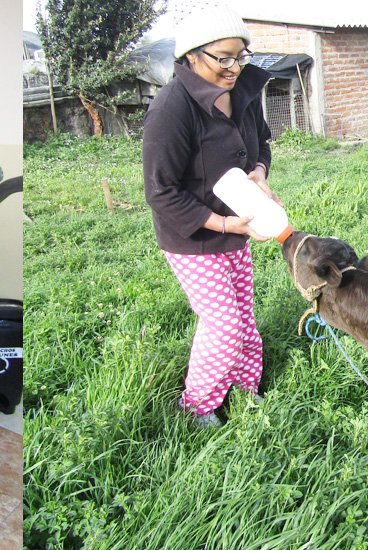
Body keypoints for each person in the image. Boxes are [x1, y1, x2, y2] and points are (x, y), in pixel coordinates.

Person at [141, 4, 280, 429]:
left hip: (239, 224)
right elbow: (160, 192)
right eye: (224, 58)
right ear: (191, 56)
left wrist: (257, 173)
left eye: (242, 56)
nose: (235, 67)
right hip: (194, 239)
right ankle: (198, 405)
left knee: (243, 317)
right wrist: (222, 224)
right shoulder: (171, 110)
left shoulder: (243, 93)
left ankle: (244, 388)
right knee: (223, 325)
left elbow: (261, 147)